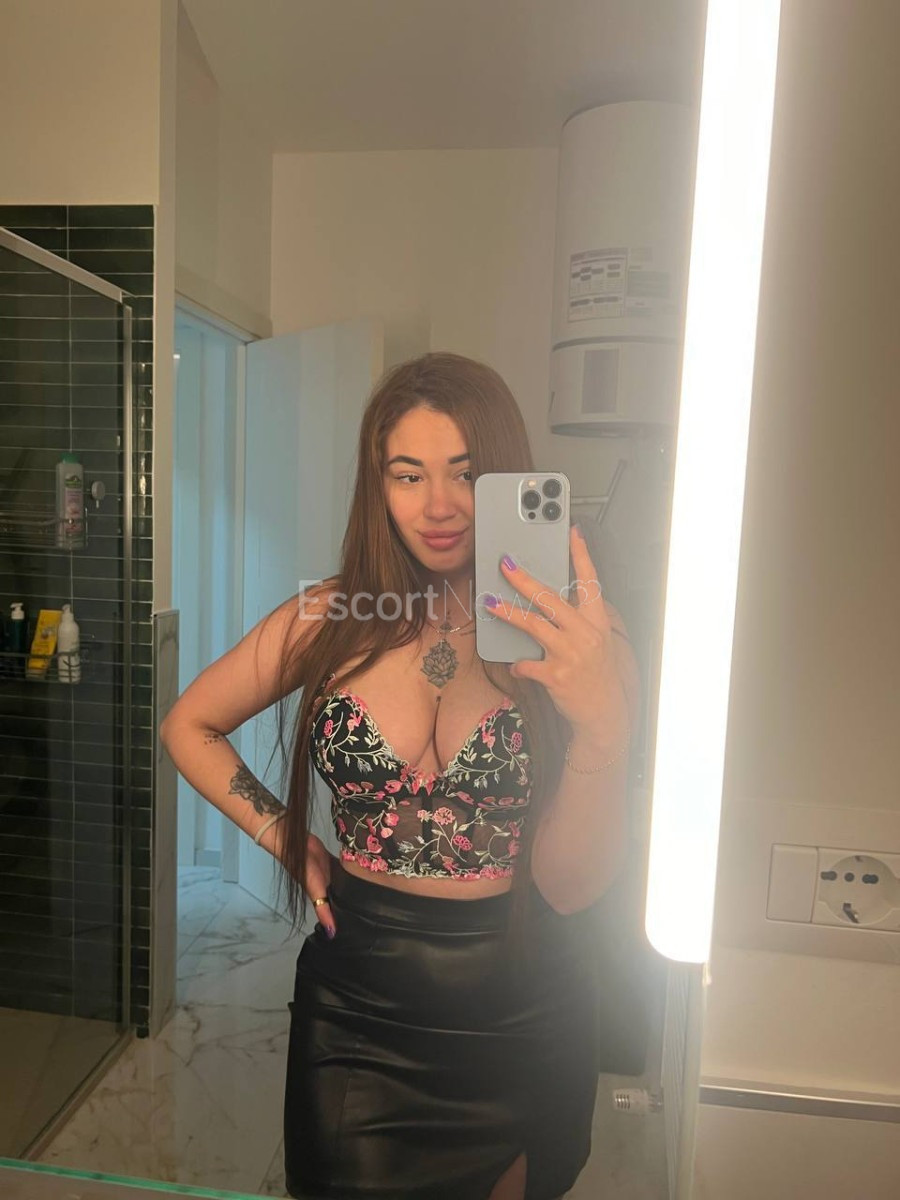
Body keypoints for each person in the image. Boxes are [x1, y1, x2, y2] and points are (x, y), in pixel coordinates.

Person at [160, 352, 640, 1200]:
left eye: (466, 472)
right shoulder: (329, 617)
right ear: (377, 485)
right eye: (408, 474)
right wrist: (285, 835)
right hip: (357, 1013)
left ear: (507, 478)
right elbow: (188, 725)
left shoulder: (578, 644)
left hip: (526, 1006)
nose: (439, 504)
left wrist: (604, 724)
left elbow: (572, 888)